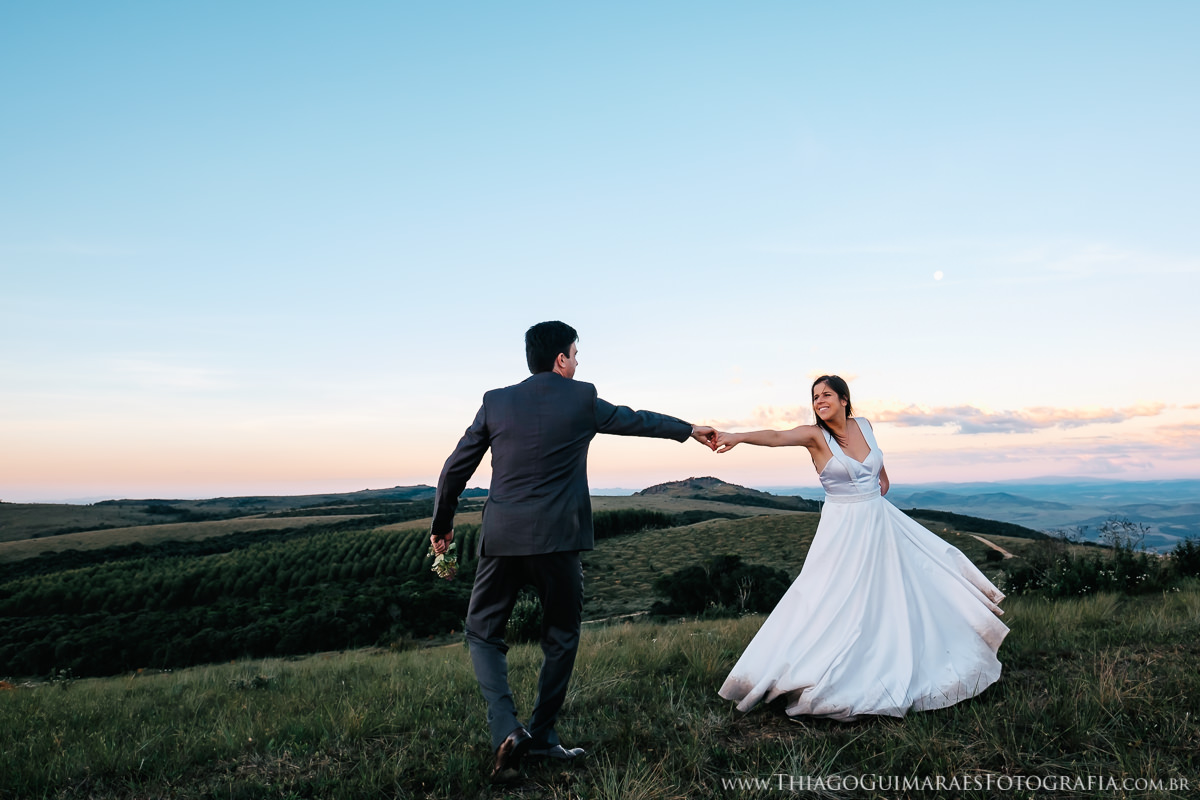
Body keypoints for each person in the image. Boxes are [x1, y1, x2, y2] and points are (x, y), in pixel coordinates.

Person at [429, 321, 716, 781]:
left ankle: (506, 728)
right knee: (561, 636)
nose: (578, 362)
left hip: (501, 540)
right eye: (576, 354)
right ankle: (541, 737)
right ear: (561, 359)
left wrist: (442, 527)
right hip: (559, 541)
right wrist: (689, 429)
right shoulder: (582, 398)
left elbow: (453, 470)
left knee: (483, 633)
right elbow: (637, 419)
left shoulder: (495, 401)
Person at [713, 375, 1008, 721]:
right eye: (814, 397)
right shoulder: (815, 436)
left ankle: (899, 655)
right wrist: (737, 437)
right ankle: (818, 666)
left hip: (879, 520)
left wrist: (882, 476)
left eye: (826, 395)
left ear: (843, 399)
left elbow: (876, 460)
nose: (819, 401)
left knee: (896, 590)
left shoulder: (864, 425)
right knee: (832, 596)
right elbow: (777, 437)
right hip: (843, 528)